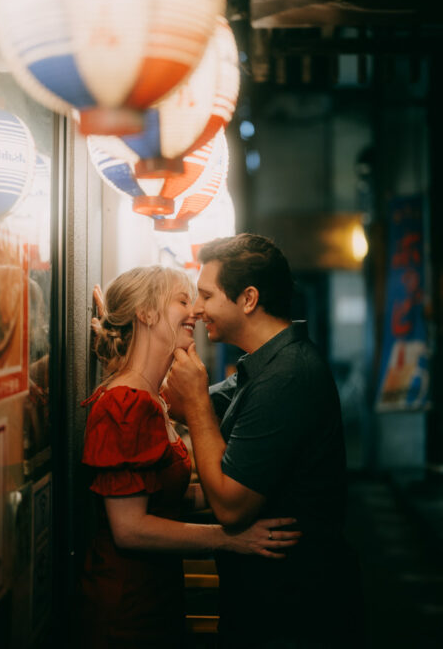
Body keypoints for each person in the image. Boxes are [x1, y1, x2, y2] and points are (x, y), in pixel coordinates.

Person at [75, 265, 301, 649]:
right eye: (183, 300)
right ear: (145, 314)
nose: (195, 311)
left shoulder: (151, 399)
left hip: (156, 594)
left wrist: (252, 498)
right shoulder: (124, 403)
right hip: (126, 608)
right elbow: (129, 529)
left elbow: (162, 494)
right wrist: (231, 538)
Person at [165, 234, 365, 649]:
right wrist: (123, 334)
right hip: (271, 603)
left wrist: (198, 402)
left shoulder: (287, 375)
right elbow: (178, 404)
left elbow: (231, 506)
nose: (198, 310)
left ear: (249, 298)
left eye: (205, 295)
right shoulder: (263, 366)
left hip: (294, 611)